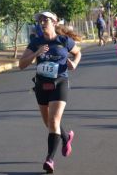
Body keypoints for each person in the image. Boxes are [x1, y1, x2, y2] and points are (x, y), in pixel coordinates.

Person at [19, 11, 82, 173]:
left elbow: (78, 53)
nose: (42, 22)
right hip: (41, 84)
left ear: (54, 22)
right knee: (49, 123)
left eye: (45, 19)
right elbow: (21, 64)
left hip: (60, 82)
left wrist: (74, 63)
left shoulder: (64, 40)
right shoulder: (36, 42)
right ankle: (66, 137)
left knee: (54, 121)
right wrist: (36, 54)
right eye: (40, 20)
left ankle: (49, 159)